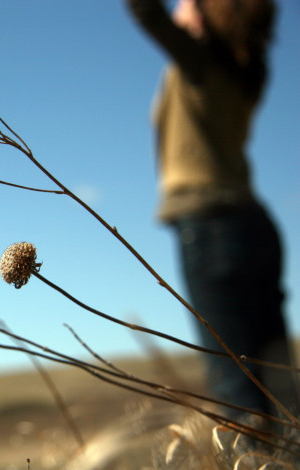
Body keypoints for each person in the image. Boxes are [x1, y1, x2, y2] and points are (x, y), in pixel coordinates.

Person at [125, 0, 299, 420]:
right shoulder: (251, 72)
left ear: (207, 14)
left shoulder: (200, 60)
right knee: (280, 387)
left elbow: (144, 10)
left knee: (237, 389)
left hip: (211, 230)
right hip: (255, 228)